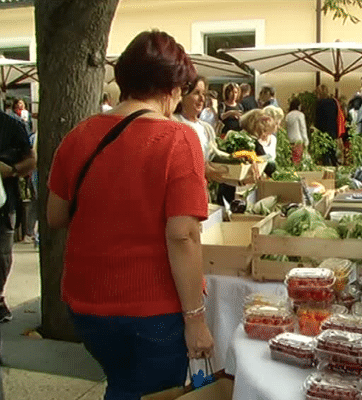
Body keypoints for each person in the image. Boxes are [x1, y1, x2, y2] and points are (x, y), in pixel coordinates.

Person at [46, 30, 214, 399]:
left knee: (123, 385)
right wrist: (196, 320)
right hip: (152, 310)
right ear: (172, 87)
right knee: (154, 391)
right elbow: (183, 235)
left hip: (87, 305)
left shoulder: (79, 135)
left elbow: (55, 215)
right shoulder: (178, 139)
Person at [0, 108, 36, 323]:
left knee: (2, 254)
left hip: (4, 204)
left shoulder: (12, 126)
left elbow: (31, 160)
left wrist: (11, 169)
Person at [314, 84, 339, 165]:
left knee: (325, 152)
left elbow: (318, 118)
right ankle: (335, 165)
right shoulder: (333, 102)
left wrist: (317, 128)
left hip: (324, 130)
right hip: (333, 128)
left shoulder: (320, 103)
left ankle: (327, 168)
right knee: (332, 150)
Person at [285, 97, 308, 165]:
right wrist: (306, 141)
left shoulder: (288, 115)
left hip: (290, 139)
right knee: (298, 159)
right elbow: (302, 128)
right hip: (298, 139)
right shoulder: (300, 115)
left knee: (292, 158)